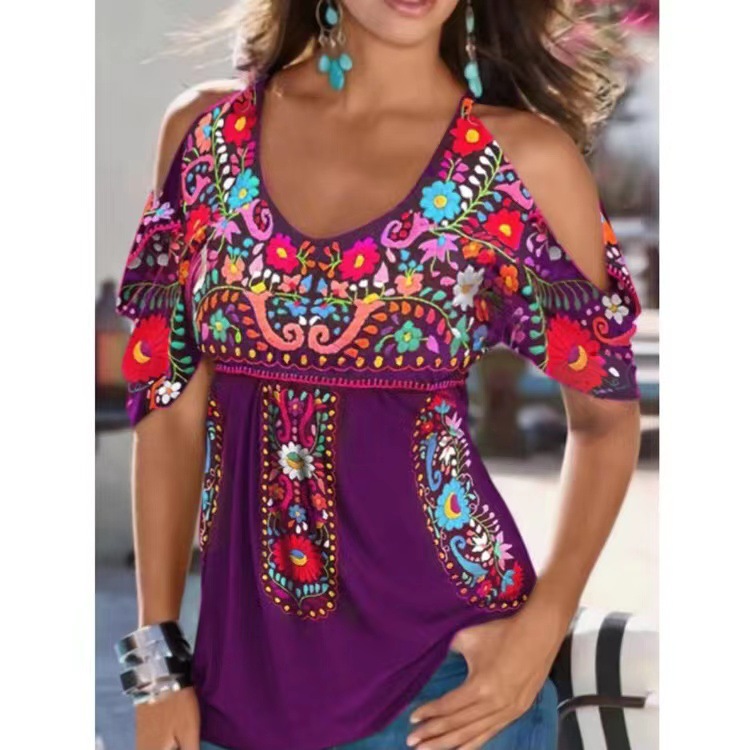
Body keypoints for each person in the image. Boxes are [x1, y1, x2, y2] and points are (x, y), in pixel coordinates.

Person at [113, 1, 642, 749]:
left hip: (450, 687)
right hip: (238, 685)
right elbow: (169, 407)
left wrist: (541, 629)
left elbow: (605, 422)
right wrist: (157, 669)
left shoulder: (521, 160)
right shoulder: (206, 137)